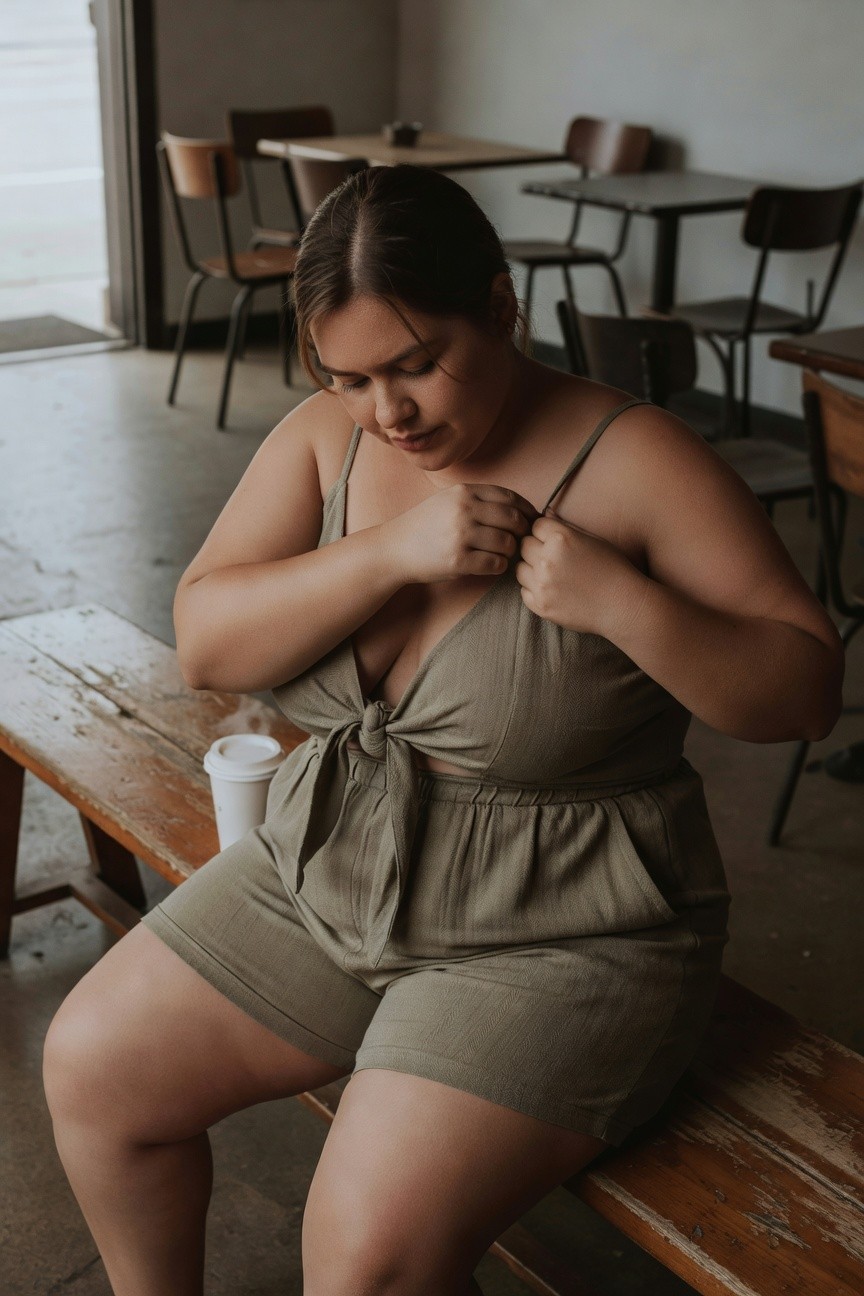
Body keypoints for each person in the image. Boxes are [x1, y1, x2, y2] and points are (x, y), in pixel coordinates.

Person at [43, 165, 843, 1296]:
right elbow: (208, 644)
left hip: (565, 927)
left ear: (503, 311)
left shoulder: (638, 459)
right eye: (352, 374)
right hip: (336, 861)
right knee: (92, 1070)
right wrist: (389, 552)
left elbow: (804, 690)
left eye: (418, 364)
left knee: (362, 1257)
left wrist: (624, 602)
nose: (390, 412)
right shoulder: (332, 439)